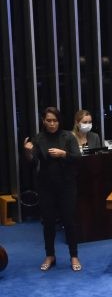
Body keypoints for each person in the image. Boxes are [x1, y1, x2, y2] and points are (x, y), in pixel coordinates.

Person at [23, 107, 82, 271]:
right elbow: (32, 161)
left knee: (69, 221)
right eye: (48, 120)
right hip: (46, 186)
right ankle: (50, 255)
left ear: (59, 121)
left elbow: (77, 158)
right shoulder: (39, 138)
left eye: (55, 120)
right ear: (43, 121)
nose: (52, 123)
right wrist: (27, 152)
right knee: (48, 222)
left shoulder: (68, 136)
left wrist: (63, 154)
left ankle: (74, 256)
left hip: (67, 184)